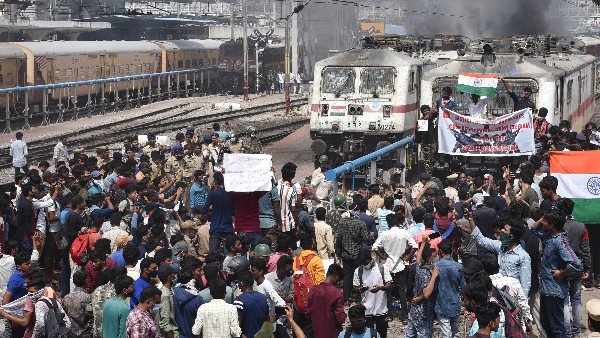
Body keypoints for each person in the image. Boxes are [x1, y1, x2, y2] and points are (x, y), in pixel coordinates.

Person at [532, 209, 582, 337]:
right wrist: (543, 219)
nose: (542, 223)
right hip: (546, 289)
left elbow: (576, 263)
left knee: (557, 327)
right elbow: (533, 229)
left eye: (545, 222)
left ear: (552, 225)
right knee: (545, 322)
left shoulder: (560, 241)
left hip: (555, 290)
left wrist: (561, 273)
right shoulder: (549, 236)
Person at [467, 215, 532, 295]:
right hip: (499, 295)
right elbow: (481, 240)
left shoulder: (523, 257)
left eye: (505, 230)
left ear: (512, 236)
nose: (501, 231)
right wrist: (470, 220)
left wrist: (521, 304)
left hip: (513, 299)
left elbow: (525, 285)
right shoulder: (500, 246)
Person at [372, 213, 417, 321]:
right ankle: (404, 316)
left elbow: (374, 247)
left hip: (388, 265)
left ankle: (390, 314)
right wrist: (407, 257)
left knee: (388, 291)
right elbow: (414, 246)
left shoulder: (384, 234)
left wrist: (383, 257)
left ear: (388, 223)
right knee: (402, 291)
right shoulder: (404, 233)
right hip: (400, 264)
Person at [557, 198, 592, 338]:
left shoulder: (558, 226)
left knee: (564, 301)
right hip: (577, 268)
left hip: (562, 269)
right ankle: (576, 332)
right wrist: (587, 269)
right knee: (576, 300)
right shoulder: (581, 226)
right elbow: (586, 250)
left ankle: (566, 332)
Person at [429, 239, 466, 338]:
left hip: (442, 304)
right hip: (455, 303)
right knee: (455, 332)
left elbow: (433, 287)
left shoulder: (435, 266)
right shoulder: (459, 267)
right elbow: (463, 287)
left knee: (446, 333)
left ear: (440, 251)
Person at [353, 249, 393, 338]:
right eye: (362, 263)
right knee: (368, 336)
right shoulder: (358, 271)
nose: (364, 265)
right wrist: (361, 289)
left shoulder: (382, 268)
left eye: (366, 262)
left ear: (370, 259)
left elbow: (390, 285)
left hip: (381, 310)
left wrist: (380, 288)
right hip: (366, 311)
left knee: (382, 335)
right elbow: (355, 289)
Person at [336, 207, 370, 302]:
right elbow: (366, 238)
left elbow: (338, 239)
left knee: (347, 276)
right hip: (357, 254)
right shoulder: (360, 223)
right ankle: (358, 296)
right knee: (358, 275)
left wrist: (338, 252)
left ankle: (346, 298)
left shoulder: (342, 223)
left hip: (345, 255)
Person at [405, 238, 436, 338]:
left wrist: (423, 243)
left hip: (414, 312)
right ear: (429, 259)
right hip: (423, 313)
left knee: (409, 335)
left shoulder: (419, 267)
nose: (435, 258)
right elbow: (426, 294)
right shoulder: (427, 273)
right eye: (434, 256)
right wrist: (434, 276)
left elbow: (418, 259)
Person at [309, 263, 346, 338]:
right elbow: (340, 317)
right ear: (336, 277)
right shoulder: (337, 293)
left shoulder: (313, 291)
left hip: (315, 332)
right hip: (332, 332)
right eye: (338, 280)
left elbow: (308, 313)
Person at [201, 171, 234, 255]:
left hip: (215, 227)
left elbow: (204, 210)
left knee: (213, 253)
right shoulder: (230, 194)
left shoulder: (213, 194)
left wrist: (213, 210)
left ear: (215, 180)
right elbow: (234, 211)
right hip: (227, 228)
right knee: (229, 254)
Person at [234, 272, 270, 338]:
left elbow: (237, 327)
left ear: (241, 283)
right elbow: (267, 320)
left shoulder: (239, 301)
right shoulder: (264, 298)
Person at [63, 269, 92, 338]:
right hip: (84, 333)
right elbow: (91, 315)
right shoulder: (88, 297)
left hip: (70, 333)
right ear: (86, 281)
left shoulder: (66, 298)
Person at [156, 265, 179, 338]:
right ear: (170, 277)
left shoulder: (170, 291)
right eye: (174, 274)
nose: (175, 277)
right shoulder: (165, 295)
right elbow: (165, 323)